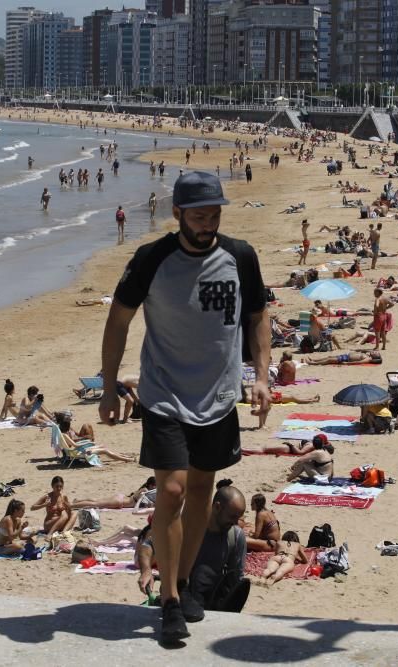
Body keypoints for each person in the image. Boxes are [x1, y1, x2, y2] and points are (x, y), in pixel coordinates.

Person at [99, 171, 271, 645]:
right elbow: (118, 321)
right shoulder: (151, 259)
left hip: (218, 397)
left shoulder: (240, 256)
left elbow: (258, 315)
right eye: (199, 215)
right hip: (165, 394)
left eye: (214, 213)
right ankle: (170, 598)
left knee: (201, 492)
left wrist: (261, 375)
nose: (208, 223)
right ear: (177, 214)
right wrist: (110, 387)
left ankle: (190, 582)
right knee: (171, 492)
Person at [136, 484, 251, 614]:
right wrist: (146, 570)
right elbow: (148, 546)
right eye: (232, 517)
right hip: (176, 601)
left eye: (238, 517)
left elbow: (235, 579)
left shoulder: (235, 537)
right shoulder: (187, 527)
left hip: (209, 606)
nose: (236, 522)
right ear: (217, 507)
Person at [71, 476, 157, 510]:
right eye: (155, 486)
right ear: (150, 485)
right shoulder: (145, 490)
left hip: (121, 497)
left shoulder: (144, 488)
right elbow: (148, 503)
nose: (156, 488)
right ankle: (71, 506)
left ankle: (78, 500)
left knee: (97, 501)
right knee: (95, 504)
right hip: (120, 502)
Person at [305, 350, 382, 365]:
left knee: (329, 360)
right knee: (329, 356)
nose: (374, 352)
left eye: (376, 353)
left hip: (347, 359)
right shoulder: (368, 354)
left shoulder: (369, 359)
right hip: (346, 355)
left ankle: (312, 363)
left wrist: (347, 363)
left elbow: (359, 362)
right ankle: (314, 360)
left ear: (375, 357)